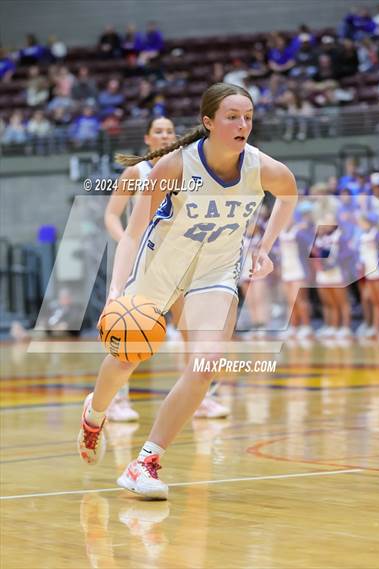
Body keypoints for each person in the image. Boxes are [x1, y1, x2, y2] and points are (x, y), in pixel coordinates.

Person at [77, 83, 298, 499]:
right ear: (208, 122)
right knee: (126, 358)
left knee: (206, 363)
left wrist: (264, 248)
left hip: (214, 272)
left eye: (248, 116)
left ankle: (146, 462)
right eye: (232, 116)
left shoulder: (265, 168)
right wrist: (116, 291)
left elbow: (289, 196)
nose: (243, 124)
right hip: (161, 265)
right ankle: (96, 412)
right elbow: (131, 234)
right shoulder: (174, 168)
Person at [104, 116, 229, 421]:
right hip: (142, 260)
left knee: (189, 329)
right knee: (128, 329)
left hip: (178, 261)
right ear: (147, 139)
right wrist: (129, 245)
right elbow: (111, 215)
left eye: (169, 132)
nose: (164, 136)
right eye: (158, 131)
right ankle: (116, 401)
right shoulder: (137, 171)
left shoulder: (186, 168)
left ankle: (200, 398)